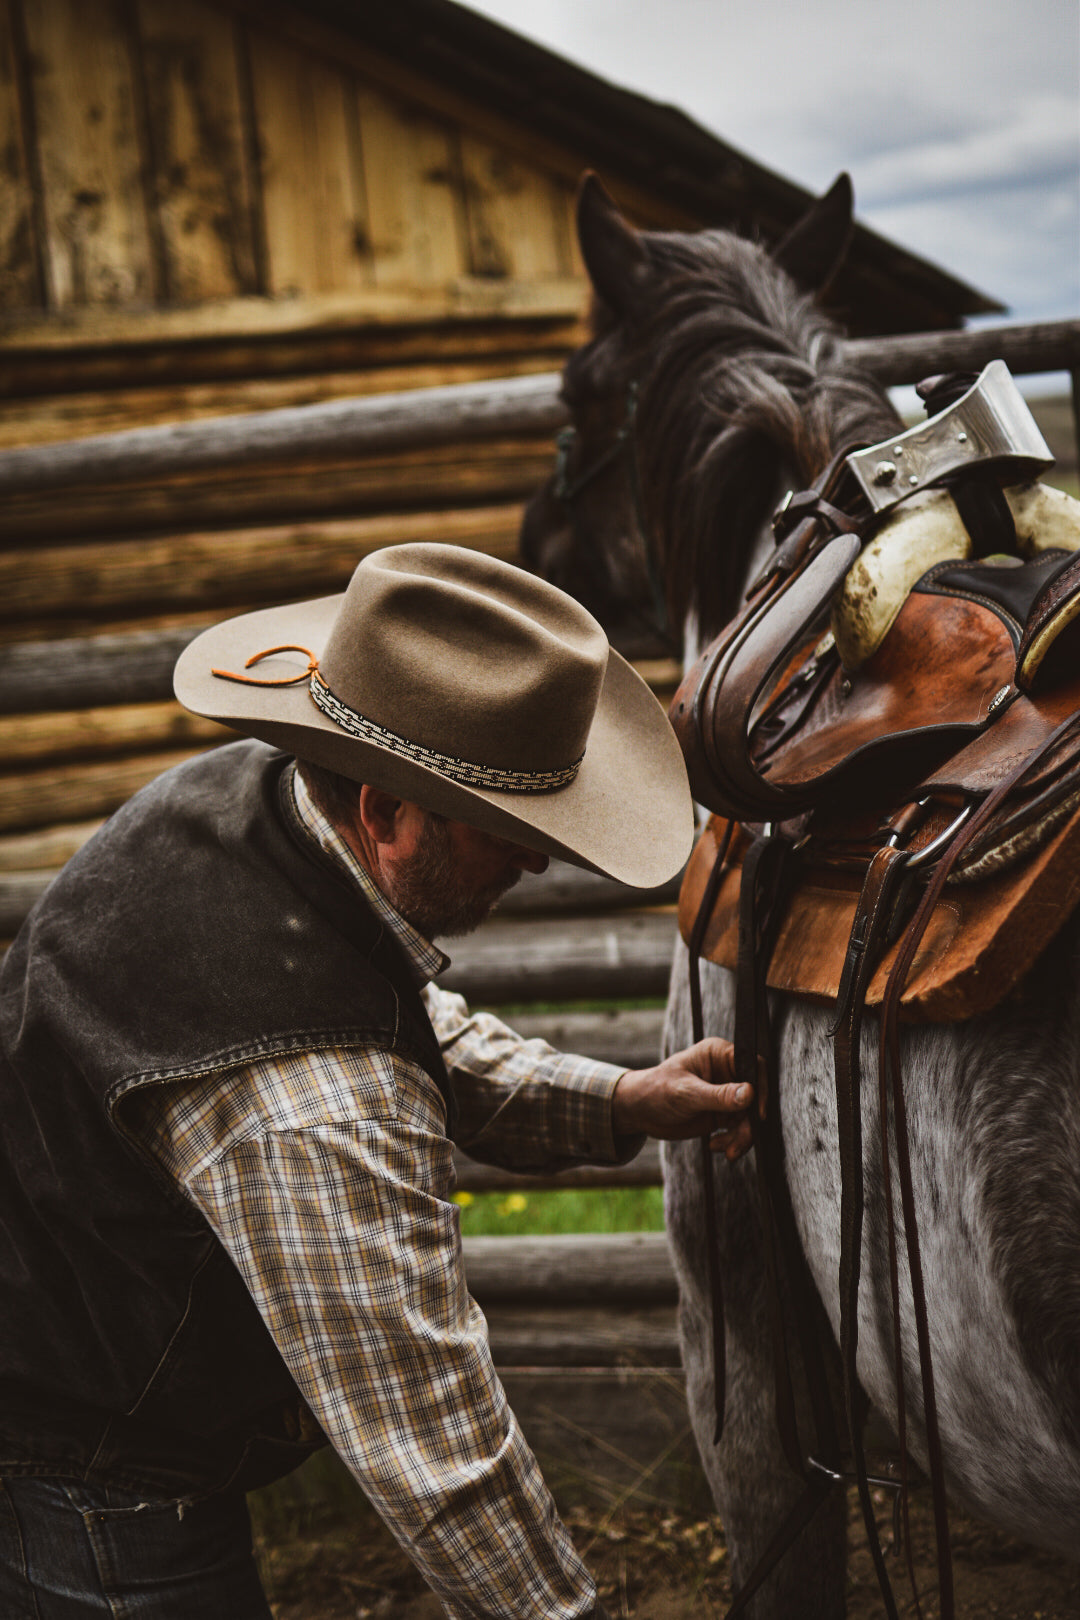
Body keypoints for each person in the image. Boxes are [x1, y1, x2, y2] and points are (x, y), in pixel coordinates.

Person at [0, 544, 754, 1620]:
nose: (537, 863)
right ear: (387, 814)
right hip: (93, 1481)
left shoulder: (255, 808)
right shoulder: (318, 1106)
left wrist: (618, 1100)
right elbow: (431, 1444)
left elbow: (398, 1016)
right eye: (510, 832)